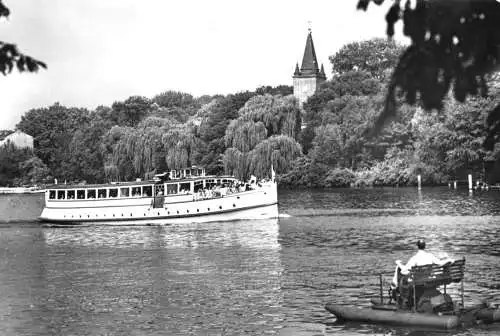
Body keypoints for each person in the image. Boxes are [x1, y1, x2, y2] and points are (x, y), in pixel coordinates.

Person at [391, 240, 454, 305]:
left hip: (418, 280)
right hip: (428, 278)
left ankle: (400, 295)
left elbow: (404, 270)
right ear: (425, 246)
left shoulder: (415, 258)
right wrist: (449, 260)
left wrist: (398, 263)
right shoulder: (430, 256)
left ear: (417, 246)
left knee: (402, 275)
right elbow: (440, 263)